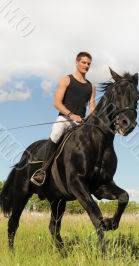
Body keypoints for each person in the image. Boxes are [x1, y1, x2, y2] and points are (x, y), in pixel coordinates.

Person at [30, 52, 96, 186]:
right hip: (65, 119)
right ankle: (42, 171)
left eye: (89, 63)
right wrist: (71, 115)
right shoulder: (66, 79)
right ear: (77, 62)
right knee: (56, 133)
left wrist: (89, 119)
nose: (86, 65)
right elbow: (57, 103)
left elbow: (92, 106)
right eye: (84, 62)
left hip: (81, 123)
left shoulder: (91, 86)